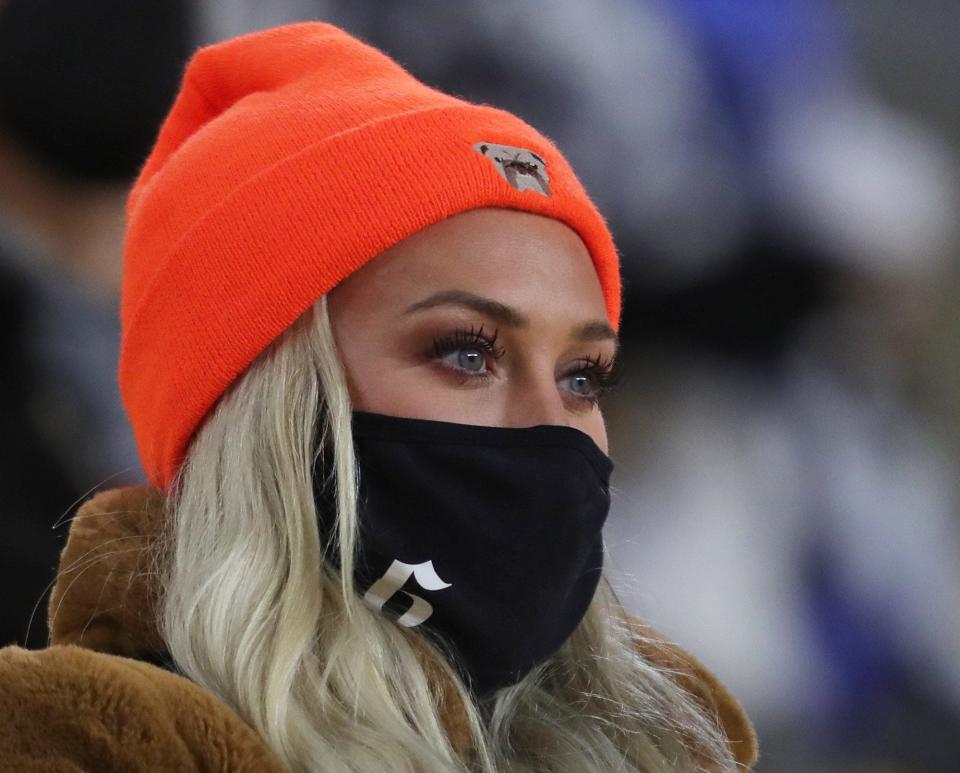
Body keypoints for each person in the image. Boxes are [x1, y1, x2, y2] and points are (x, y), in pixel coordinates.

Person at [0, 22, 757, 771]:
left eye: (582, 376)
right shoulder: (83, 741)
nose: (548, 425)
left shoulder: (673, 747)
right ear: (269, 398)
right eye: (468, 353)